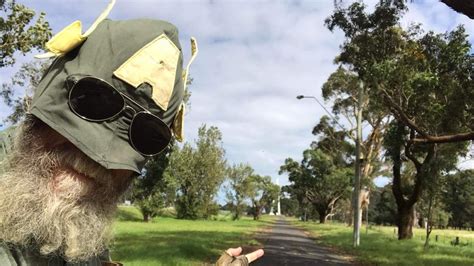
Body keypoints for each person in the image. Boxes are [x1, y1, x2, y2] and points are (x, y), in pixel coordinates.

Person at [0, 1, 263, 265]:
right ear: (50, 91)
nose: (100, 156)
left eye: (147, 135)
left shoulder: (81, 221)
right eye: (92, 100)